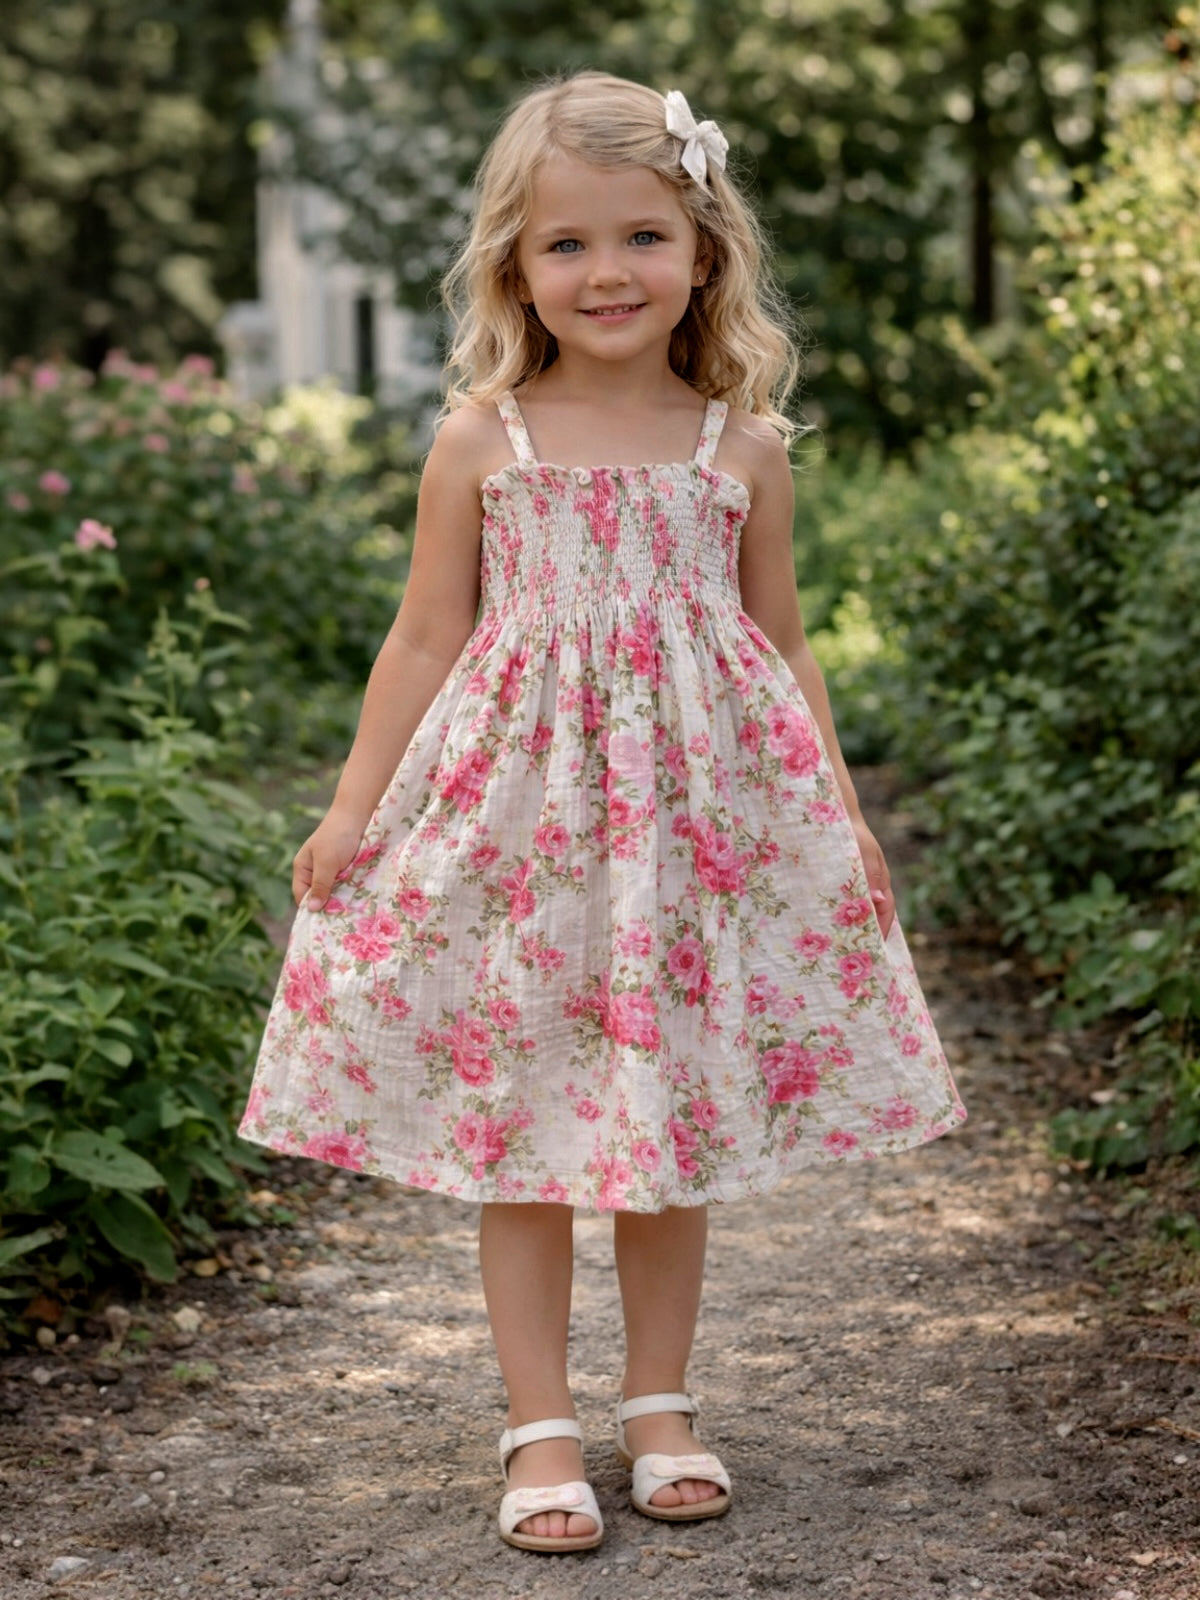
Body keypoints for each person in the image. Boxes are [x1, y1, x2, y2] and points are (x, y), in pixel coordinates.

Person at [238, 71, 965, 1555]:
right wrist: (353, 806)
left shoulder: (738, 448)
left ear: (703, 250)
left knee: (666, 1122)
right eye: (567, 245)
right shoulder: (482, 442)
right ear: (517, 265)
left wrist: (841, 812)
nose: (607, 271)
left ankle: (659, 1406)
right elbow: (427, 638)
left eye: (642, 236)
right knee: (522, 1127)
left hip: (686, 839)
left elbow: (781, 644)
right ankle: (538, 1423)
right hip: (522, 834)